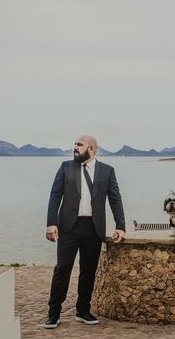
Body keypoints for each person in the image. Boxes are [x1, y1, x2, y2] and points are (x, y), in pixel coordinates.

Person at [44, 135, 126, 329]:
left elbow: (115, 199)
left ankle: (83, 310)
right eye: (74, 144)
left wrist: (120, 225)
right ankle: (53, 313)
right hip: (68, 227)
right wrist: (51, 223)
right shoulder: (66, 167)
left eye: (79, 145)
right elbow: (55, 195)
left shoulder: (107, 171)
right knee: (62, 269)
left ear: (91, 148)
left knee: (88, 271)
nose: (75, 148)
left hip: (93, 227)